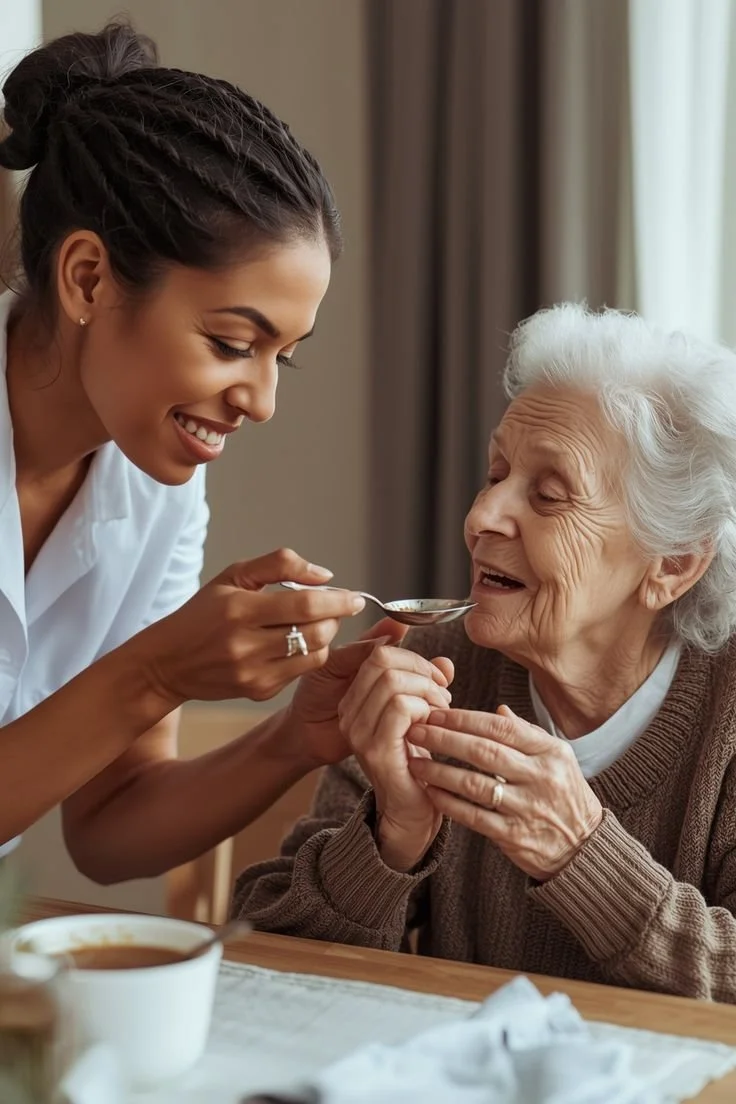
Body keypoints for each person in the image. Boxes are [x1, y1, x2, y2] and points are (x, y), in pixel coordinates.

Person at [234, 303, 736, 1003]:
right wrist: (392, 836)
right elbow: (264, 960)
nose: (480, 517)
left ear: (672, 565)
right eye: (495, 472)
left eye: (549, 495)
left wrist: (583, 854)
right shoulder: (428, 667)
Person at [0, 21, 407, 881]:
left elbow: (109, 829)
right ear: (87, 279)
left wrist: (293, 741)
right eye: (231, 342)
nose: (260, 402)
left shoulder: (159, 492)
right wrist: (154, 671)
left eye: (282, 358)